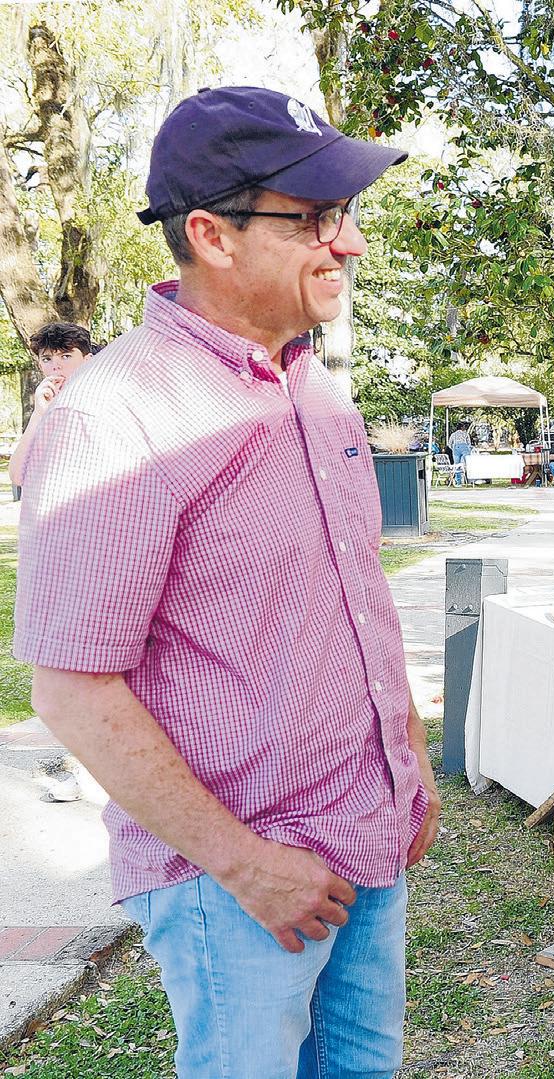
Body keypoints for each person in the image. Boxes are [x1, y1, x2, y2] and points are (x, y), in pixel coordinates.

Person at [13, 86, 440, 1079]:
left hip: (365, 842)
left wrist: (409, 765)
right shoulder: (116, 414)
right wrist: (247, 865)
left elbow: (358, 598)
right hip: (236, 880)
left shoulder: (314, 388)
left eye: (345, 215)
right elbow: (71, 687)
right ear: (210, 234)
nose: (349, 244)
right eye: (316, 219)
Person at [9, 322, 94, 486]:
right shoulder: (45, 410)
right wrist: (38, 413)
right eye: (47, 359)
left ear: (87, 360)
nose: (56, 366)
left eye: (65, 356)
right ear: (40, 365)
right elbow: (17, 476)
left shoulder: (101, 403)